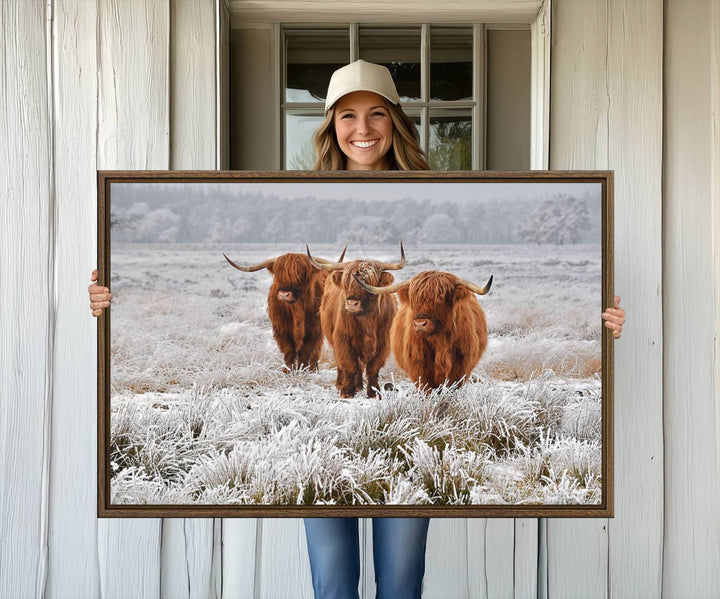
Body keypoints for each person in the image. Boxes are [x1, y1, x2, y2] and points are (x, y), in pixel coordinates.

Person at [88, 60, 626, 599]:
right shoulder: (296, 195)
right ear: (329, 126)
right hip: (321, 428)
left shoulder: (442, 192)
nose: (362, 130)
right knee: (332, 580)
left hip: (411, 415)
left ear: (396, 121)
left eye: (376, 115)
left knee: (400, 579)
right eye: (347, 116)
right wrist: (112, 299)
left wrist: (601, 322)